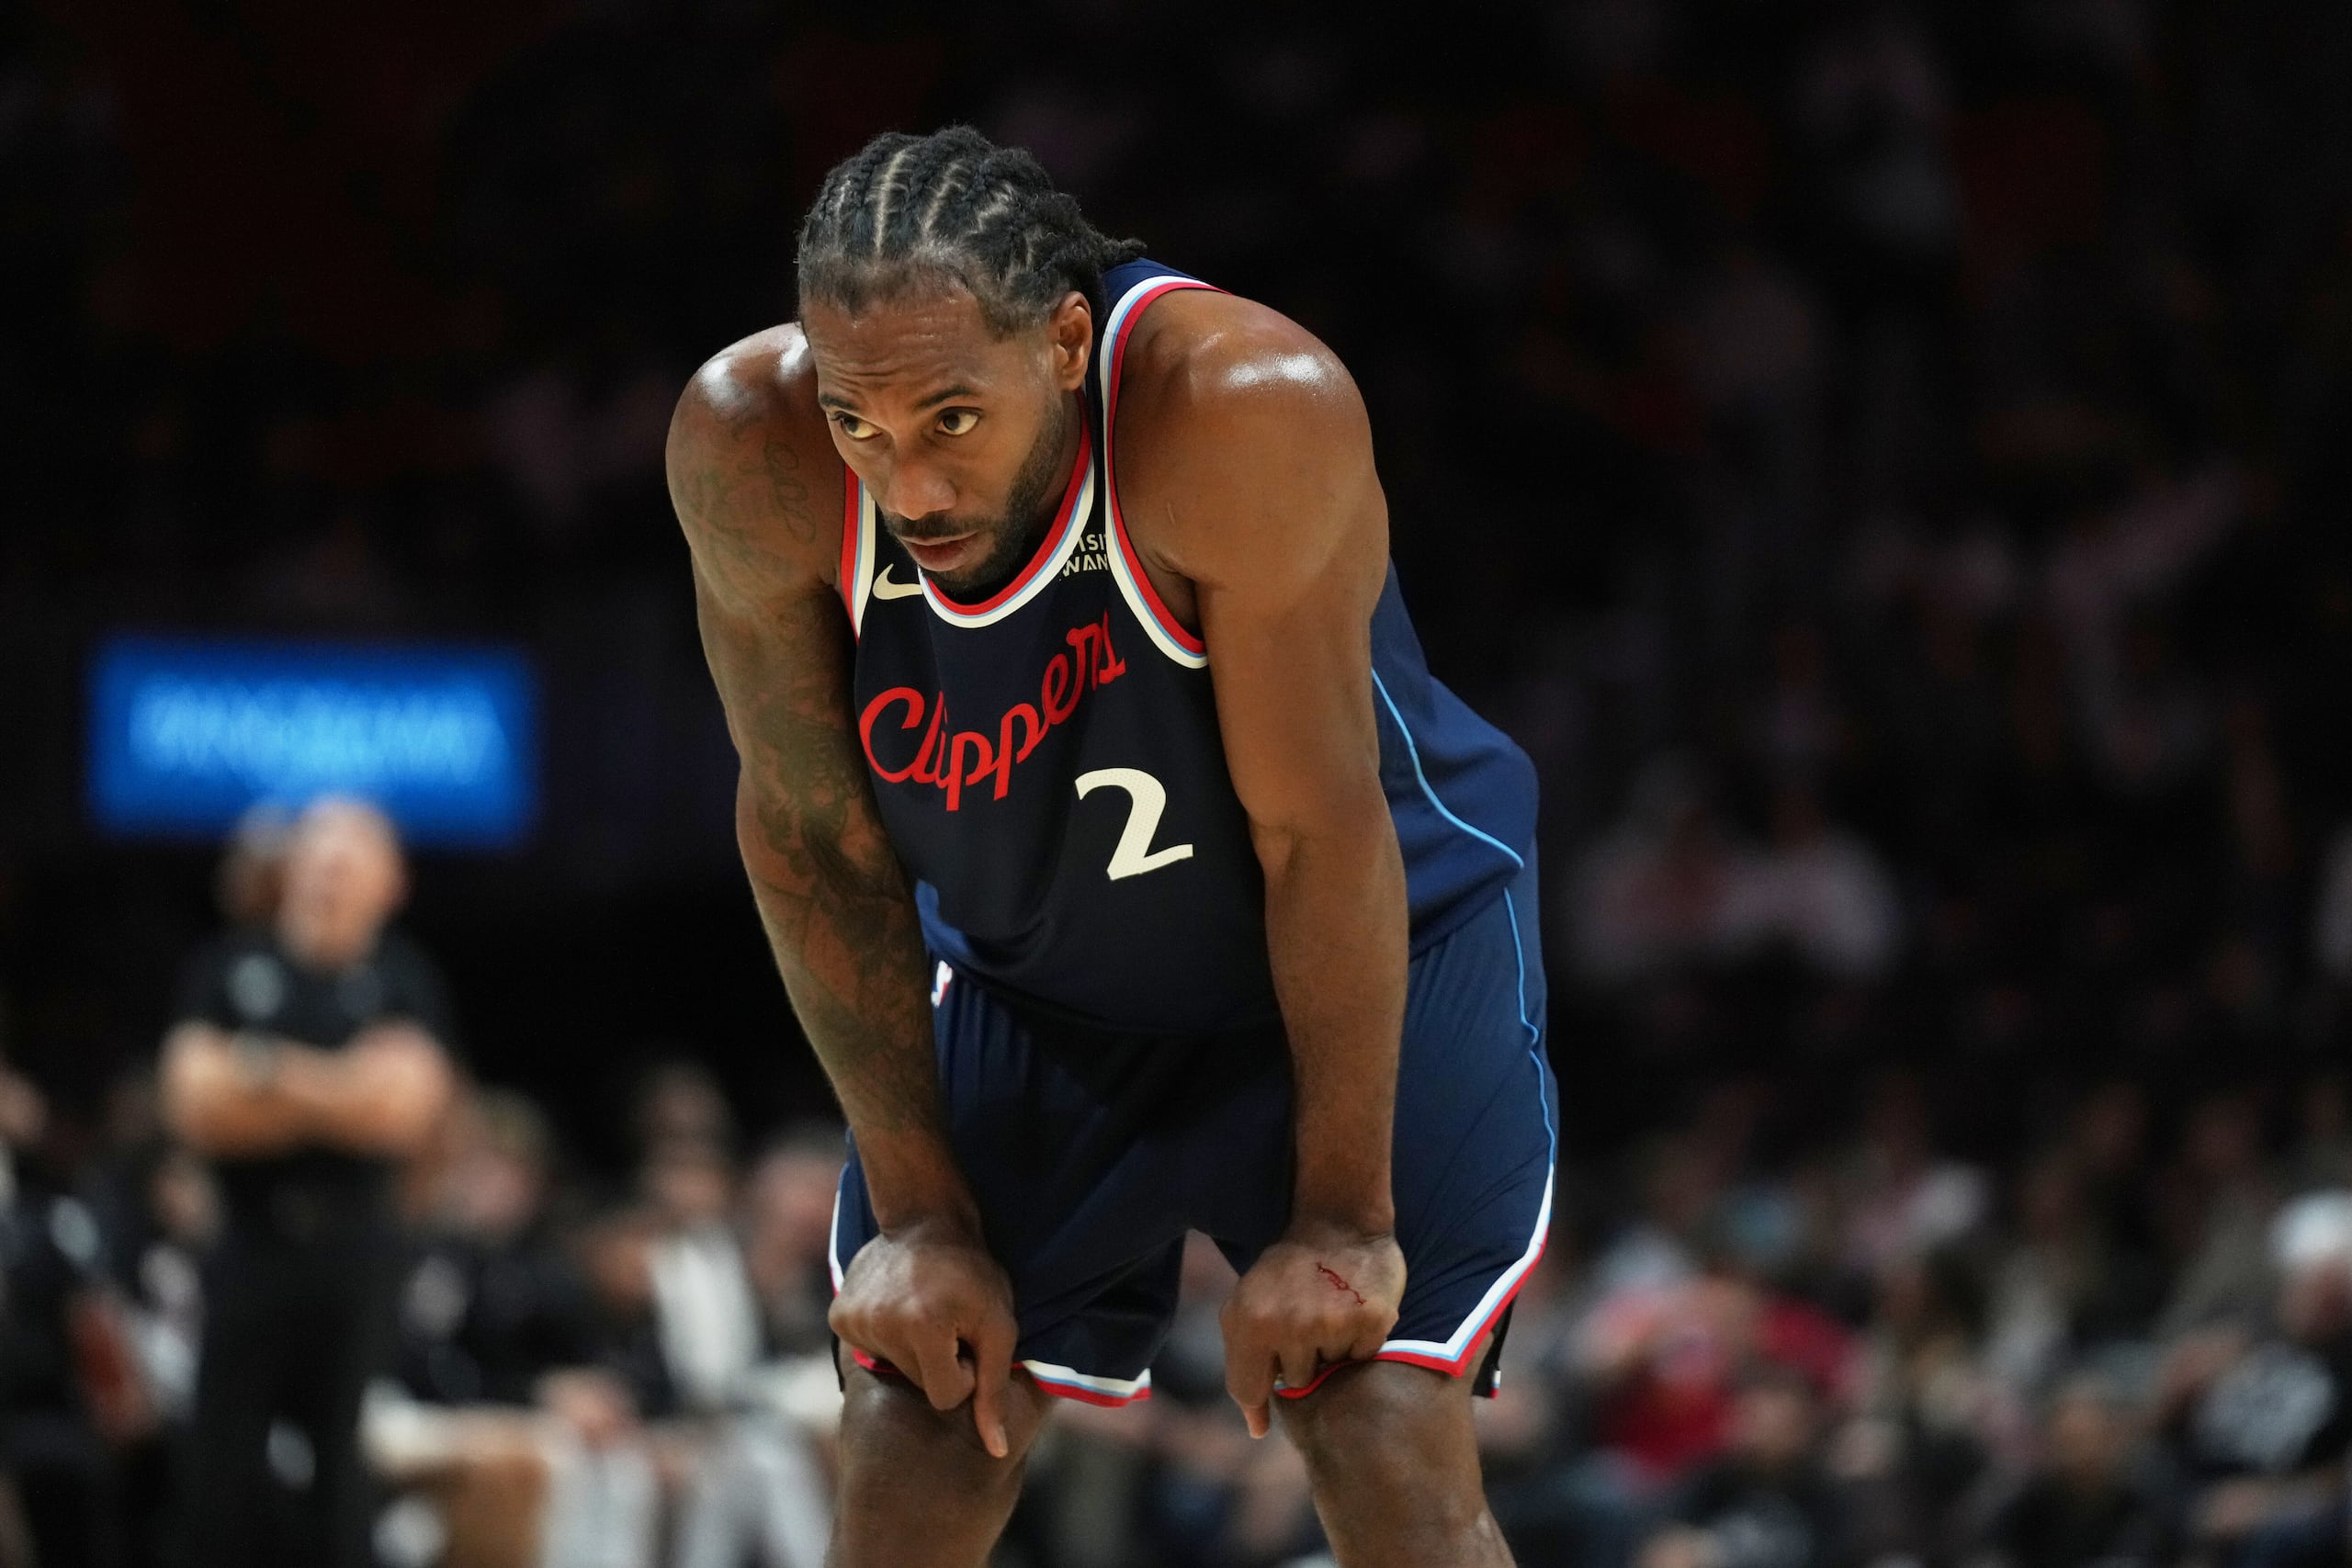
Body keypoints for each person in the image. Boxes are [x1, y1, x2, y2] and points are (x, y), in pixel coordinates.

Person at [666, 124, 1553, 1566]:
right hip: (1043, 978)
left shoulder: (1240, 408)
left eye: (952, 417)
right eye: (859, 422)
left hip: (1366, 937)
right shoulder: (747, 446)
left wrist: (1341, 1214)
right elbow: (815, 843)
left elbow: (1315, 834)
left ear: (1068, 342)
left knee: (1377, 1427)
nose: (909, 484)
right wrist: (919, 1217)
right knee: (916, 1426)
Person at [159, 797, 459, 1568]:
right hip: (247, 1244)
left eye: (352, 860)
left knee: (341, 1472)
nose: (331, 872)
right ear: (290, 866)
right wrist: (344, 1087)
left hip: (356, 1253)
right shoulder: (229, 966)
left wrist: (263, 1073)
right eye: (318, 855)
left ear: (391, 883)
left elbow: (400, 1111)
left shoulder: (404, 978)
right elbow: (196, 1103)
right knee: (219, 1466)